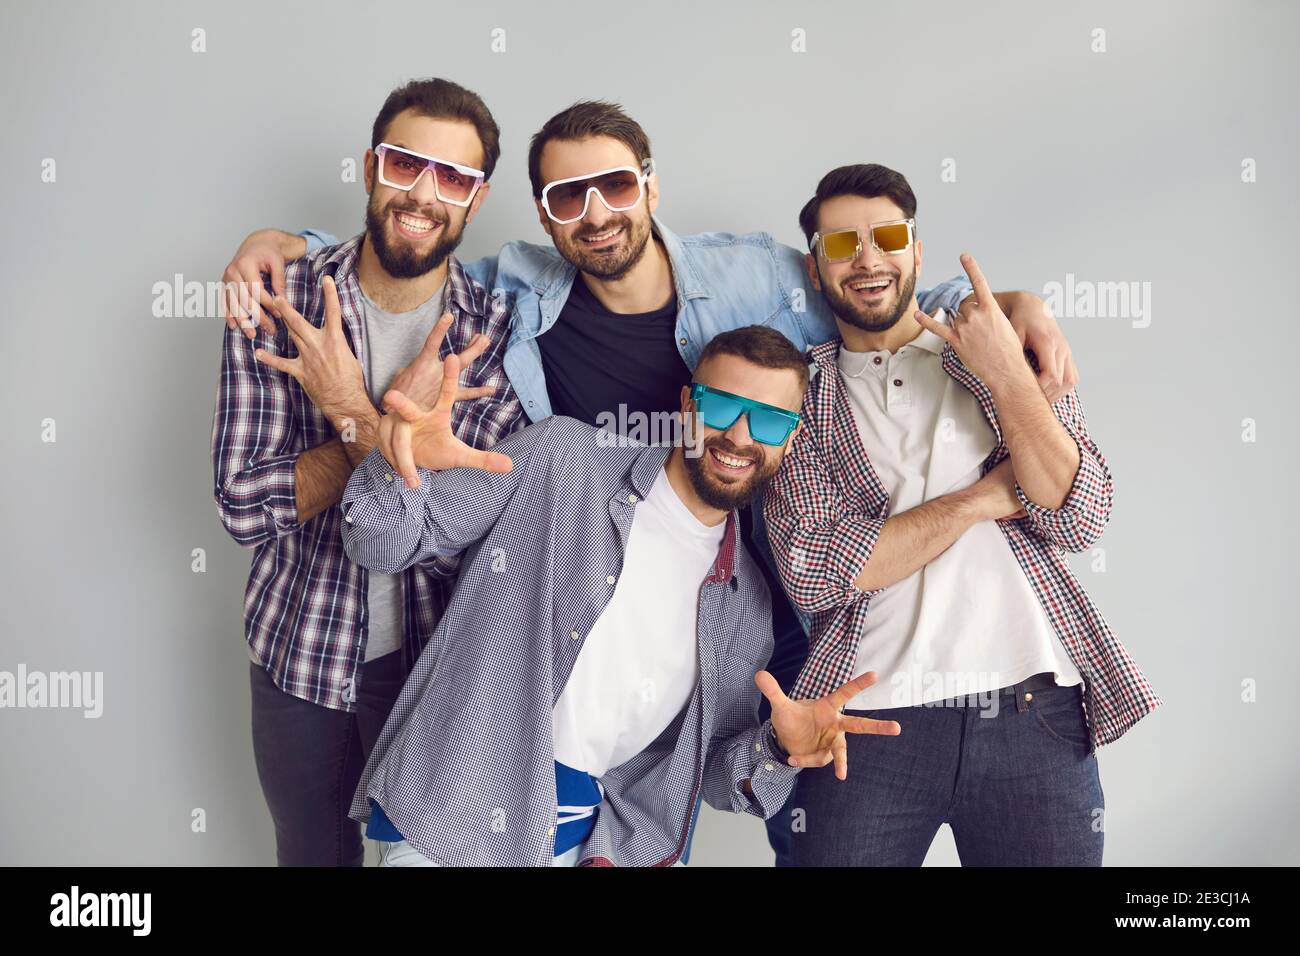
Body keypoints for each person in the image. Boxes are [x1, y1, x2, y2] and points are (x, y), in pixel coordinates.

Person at [219, 99, 1077, 864]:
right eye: (568, 197)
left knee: (783, 763)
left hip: (764, 581)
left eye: (616, 187)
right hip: (544, 610)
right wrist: (293, 253)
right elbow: (409, 242)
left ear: (652, 189)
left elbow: (874, 284)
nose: (596, 213)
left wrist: (1007, 304)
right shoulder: (546, 411)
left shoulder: (754, 276)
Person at [341, 326, 900, 866]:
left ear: (793, 435)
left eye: (771, 421)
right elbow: (381, 543)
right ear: (686, 404)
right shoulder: (563, 459)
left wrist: (778, 748)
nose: (739, 436)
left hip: (588, 844)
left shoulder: (745, 603)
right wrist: (399, 459)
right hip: (450, 817)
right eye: (720, 407)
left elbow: (718, 779)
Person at [764, 164, 1161, 866]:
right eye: (841, 245)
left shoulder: (999, 356)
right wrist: (981, 499)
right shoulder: (800, 393)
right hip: (866, 729)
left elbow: (1080, 516)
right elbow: (817, 574)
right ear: (815, 267)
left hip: (1033, 718)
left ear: (918, 250)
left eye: (887, 236)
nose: (867, 259)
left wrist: (1008, 374)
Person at [210, 78, 521, 865]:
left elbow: (450, 533)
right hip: (297, 655)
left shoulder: (490, 327)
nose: (424, 194)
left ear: (477, 200)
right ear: (370, 167)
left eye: (453, 177)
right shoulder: (278, 299)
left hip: (432, 664)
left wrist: (347, 408)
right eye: (406, 164)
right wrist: (395, 442)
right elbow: (245, 506)